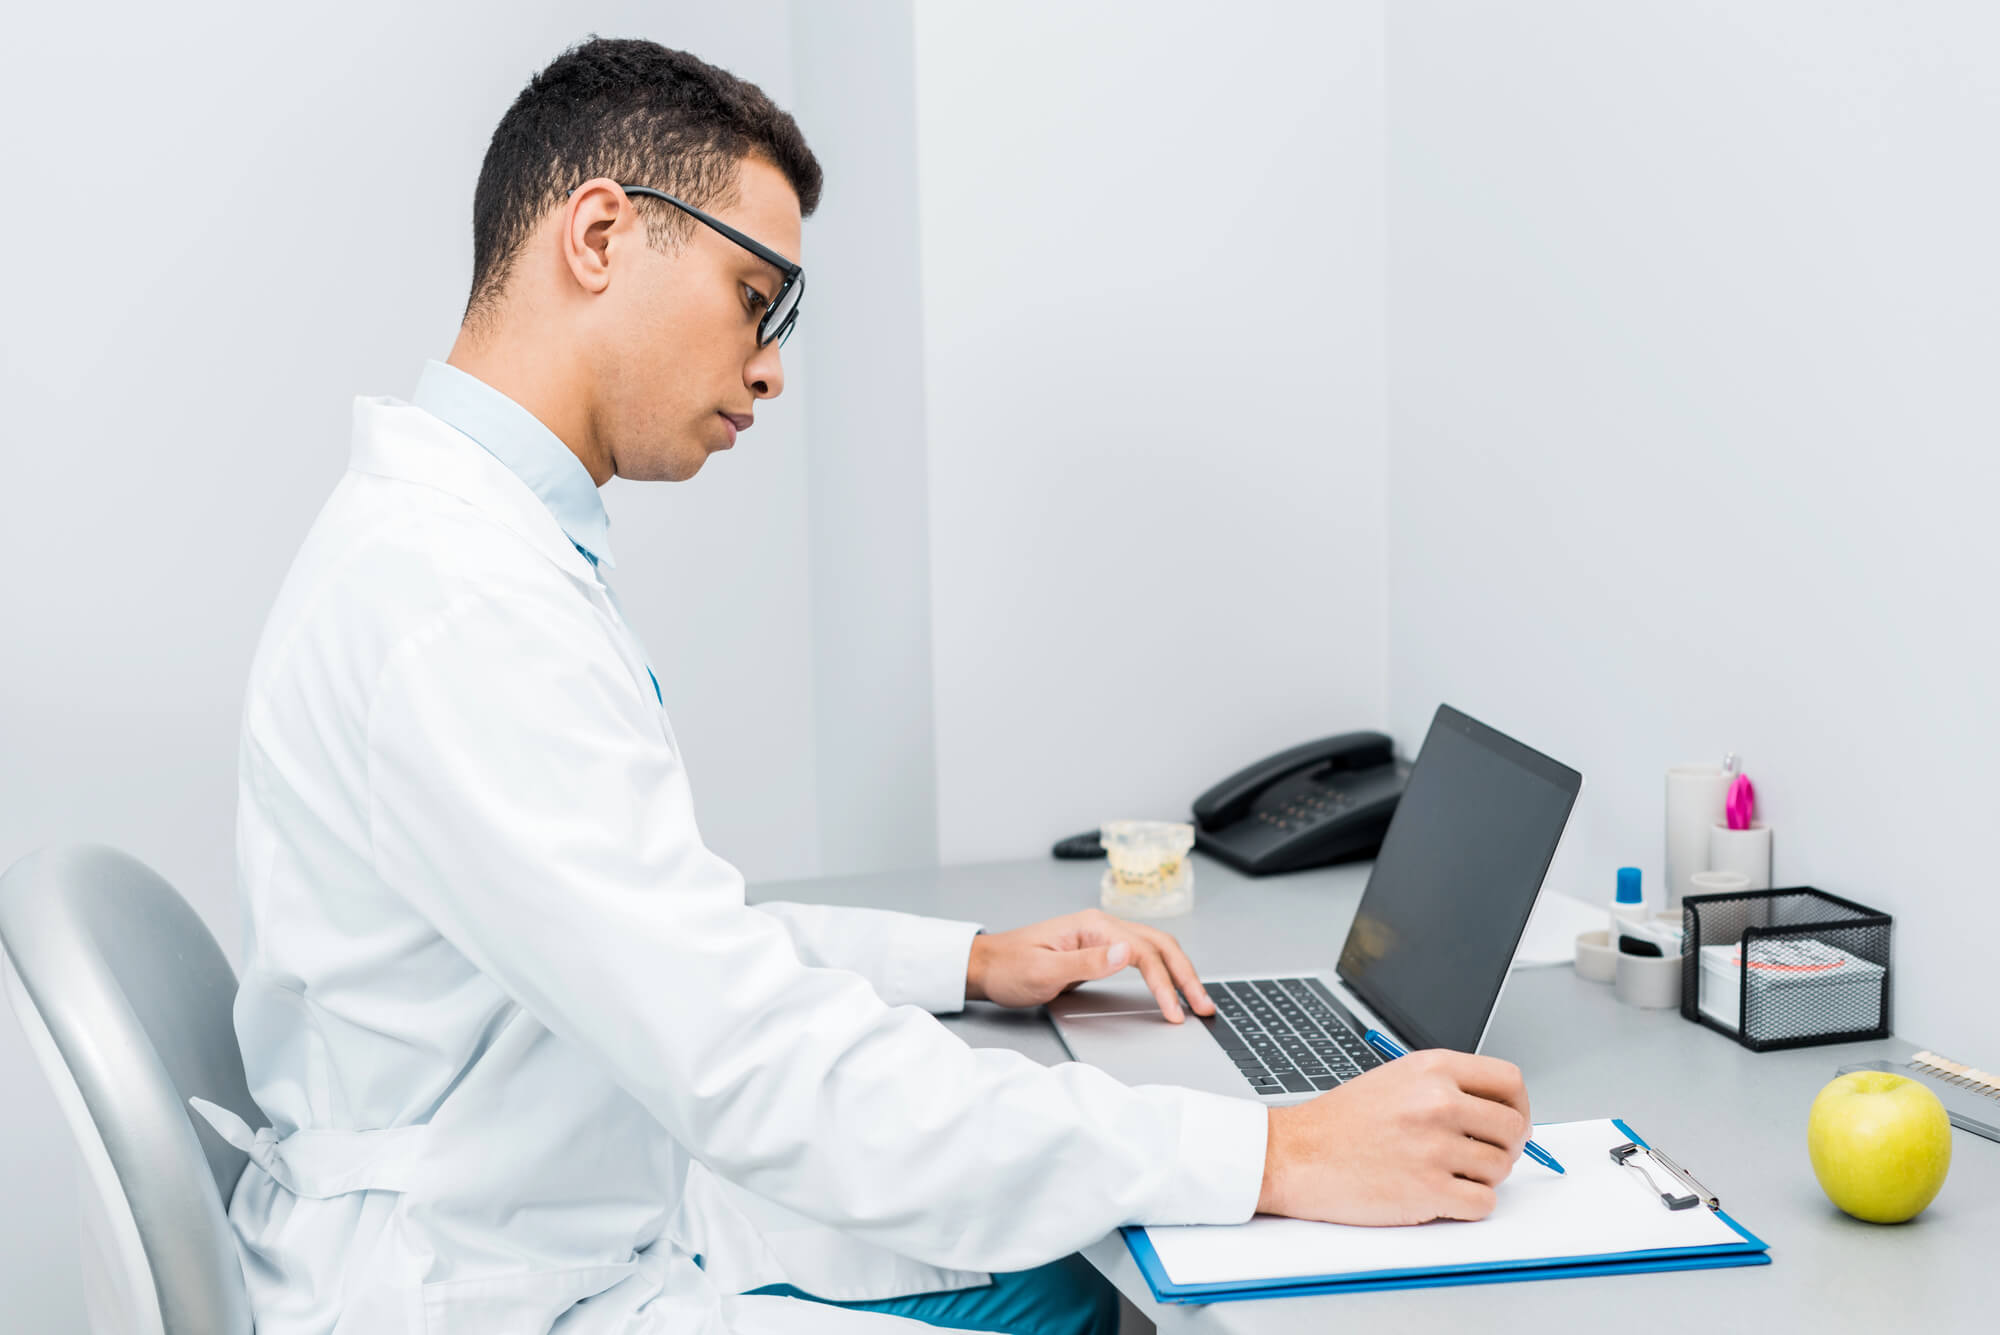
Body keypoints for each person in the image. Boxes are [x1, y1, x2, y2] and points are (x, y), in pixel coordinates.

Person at [196, 37, 1534, 1335]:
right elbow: (751, 1061)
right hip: (487, 1289)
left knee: (1073, 1286)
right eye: (753, 297)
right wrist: (1274, 1152)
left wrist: (966, 961)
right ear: (599, 238)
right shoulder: (458, 605)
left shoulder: (473, 550)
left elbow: (668, 940)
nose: (772, 364)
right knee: (1125, 1282)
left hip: (566, 1223)